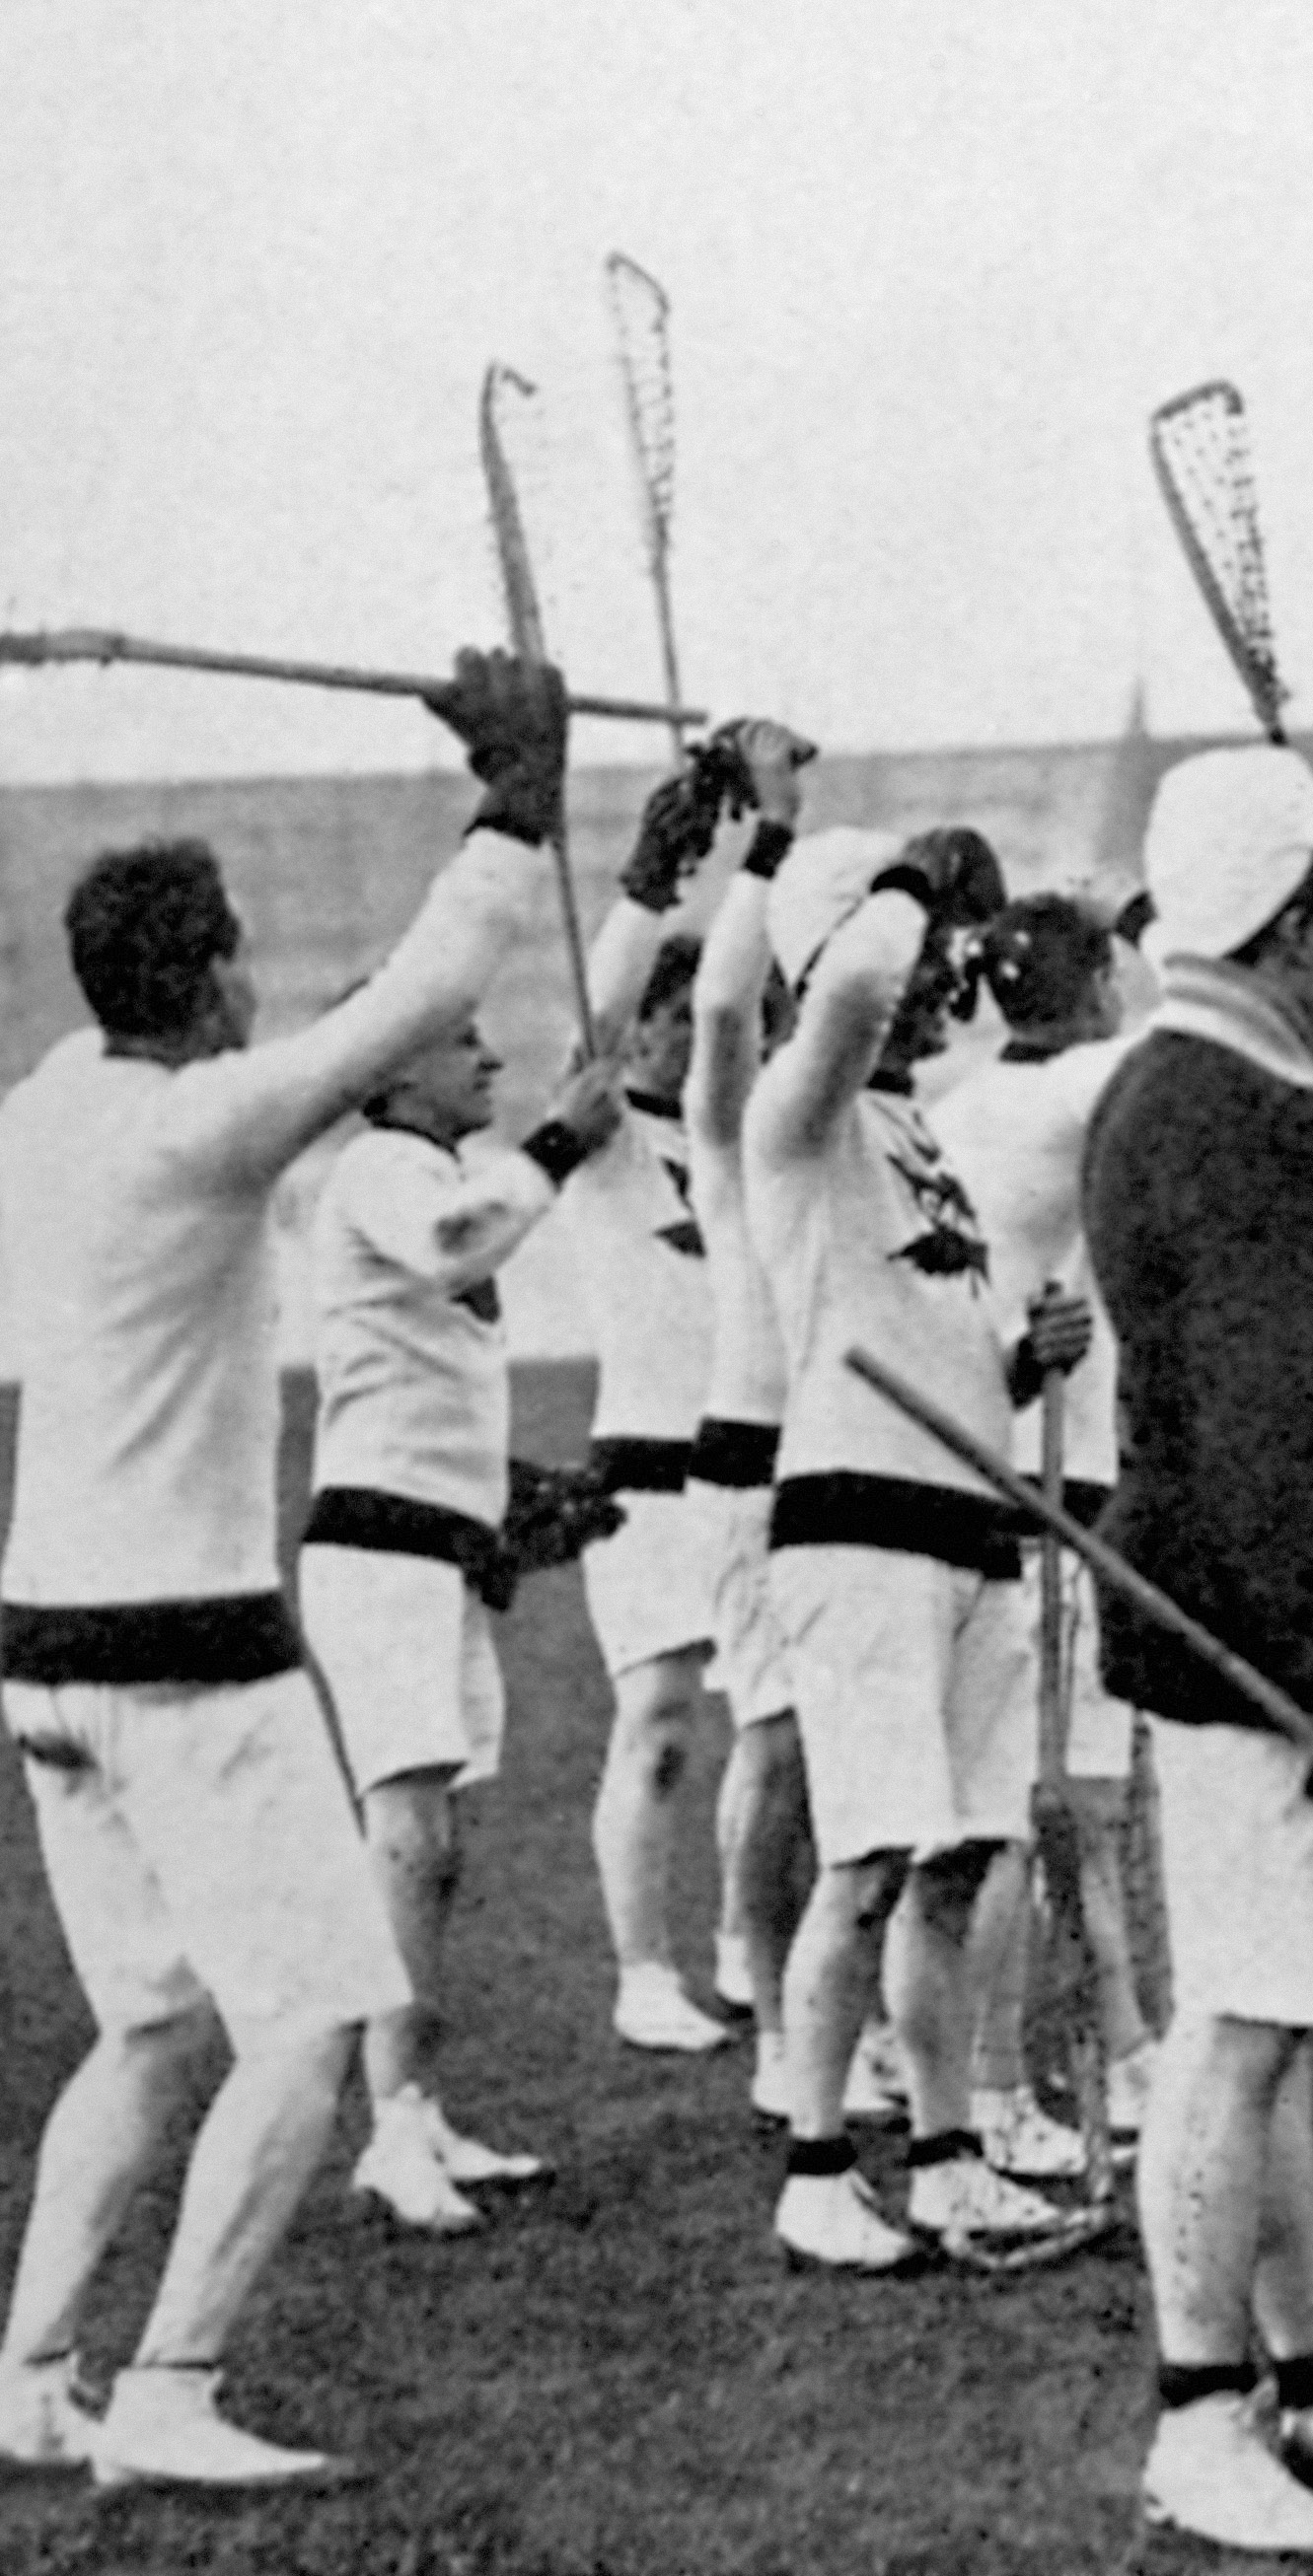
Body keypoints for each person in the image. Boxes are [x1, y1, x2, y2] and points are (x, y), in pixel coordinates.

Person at [0, 651, 567, 2496]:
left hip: (42, 1653)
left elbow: (357, 1032)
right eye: (232, 954)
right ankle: (168, 2389)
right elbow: (420, 1000)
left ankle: (25, 2381)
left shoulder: (41, 1109)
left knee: (150, 2026)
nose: (248, 982)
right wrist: (513, 793)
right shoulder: (195, 1124)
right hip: (177, 1657)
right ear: (206, 970)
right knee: (304, 2023)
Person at [1088, 740, 1313, 2556]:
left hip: (1286, 1633)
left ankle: (1309, 2376)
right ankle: (1192, 2417)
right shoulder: (1207, 1110)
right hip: (1260, 1646)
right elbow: (1256, 1441)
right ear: (1269, 924)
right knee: (1236, 2029)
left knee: (1280, 2009)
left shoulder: (1242, 1086)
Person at [748, 814, 1094, 2269]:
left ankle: (948, 2156)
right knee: (873, 1856)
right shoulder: (799, 1110)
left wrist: (1024, 1361)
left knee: (962, 1857)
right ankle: (819, 2168)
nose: (952, 968)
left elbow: (930, 1330)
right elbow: (847, 987)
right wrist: (900, 881)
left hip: (971, 1519)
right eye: (931, 944)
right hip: (858, 1528)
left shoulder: (921, 1125)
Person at [294, 1007, 620, 2233]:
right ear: (393, 1071)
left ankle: (417, 2109)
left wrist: (511, 1496)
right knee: (409, 1839)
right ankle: (389, 2125)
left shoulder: (426, 1165)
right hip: (379, 1549)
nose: (488, 1058)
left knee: (436, 1849)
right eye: (463, 1042)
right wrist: (557, 1143)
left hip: (433, 1547)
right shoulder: (385, 1167)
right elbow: (451, 1244)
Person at [928, 886, 1165, 2171]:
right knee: (1045, 1802)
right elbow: (1202, 1042)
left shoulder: (958, 1106)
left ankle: (1120, 2046)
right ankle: (1015, 2076)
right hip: (1052, 1477)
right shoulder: (1082, 1091)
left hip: (1008, 1464)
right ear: (1093, 993)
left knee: (1068, 1798)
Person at [545, 758, 748, 2057]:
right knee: (662, 1724)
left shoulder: (740, 1146)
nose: (671, 1037)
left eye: (697, 1020)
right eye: (658, 1021)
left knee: (775, 1735)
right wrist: (660, 882)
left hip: (749, 1469)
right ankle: (642, 1970)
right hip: (642, 1477)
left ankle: (746, 1945)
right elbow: (592, 1031)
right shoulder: (611, 1143)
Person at [679, 719, 831, 2126]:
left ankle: (843, 2025)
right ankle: (775, 2015)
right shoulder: (733, 1139)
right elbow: (723, 1014)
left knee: (860, 1771)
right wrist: (769, 837)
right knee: (779, 1747)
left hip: (860, 1473)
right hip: (751, 1463)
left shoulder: (853, 1130)